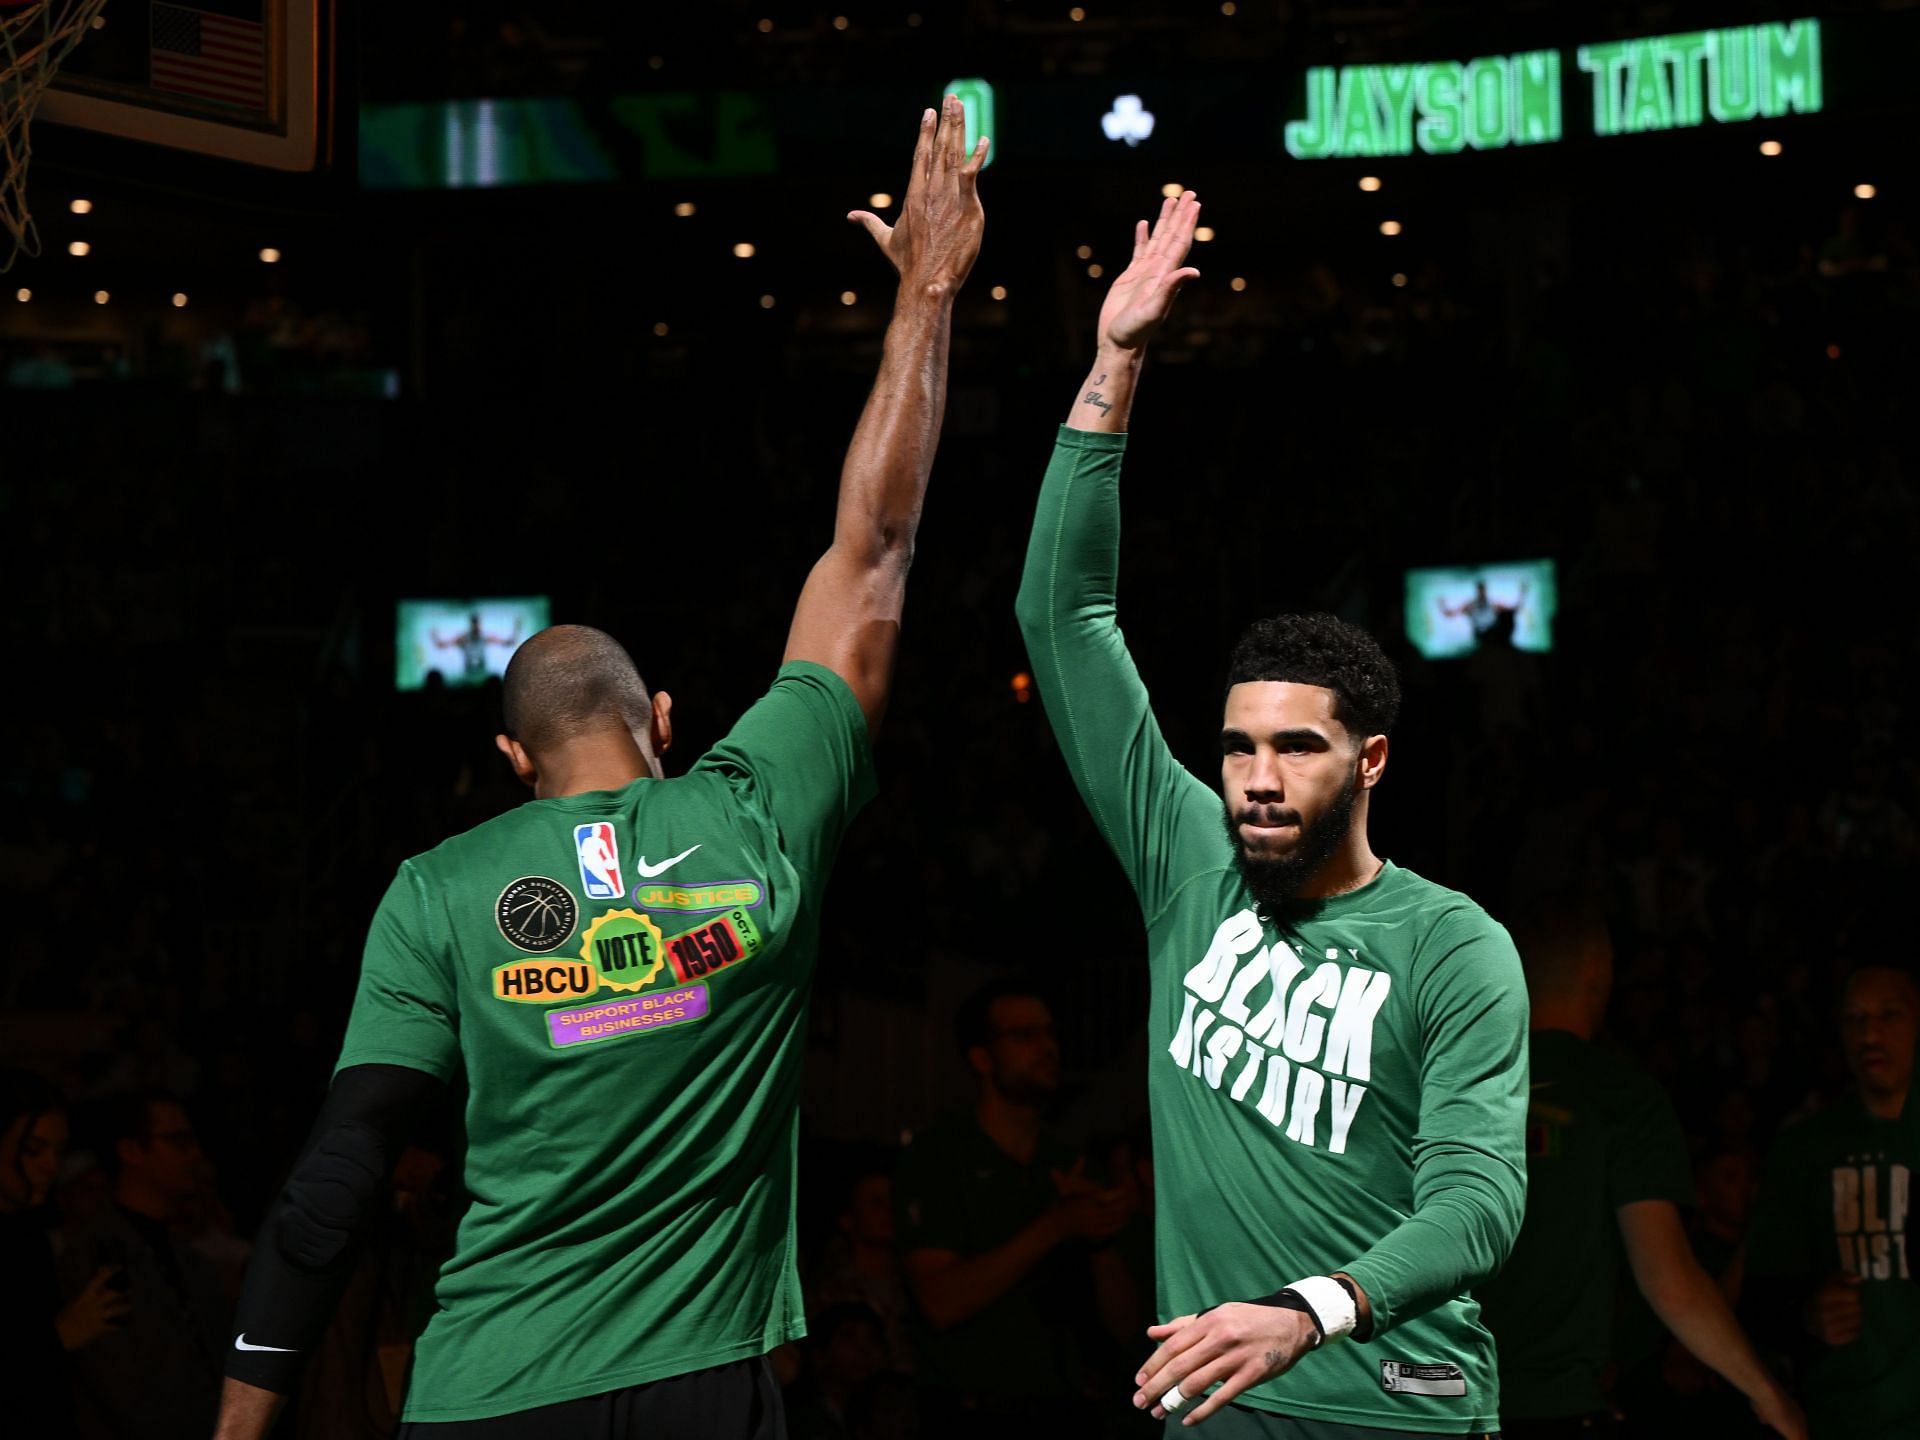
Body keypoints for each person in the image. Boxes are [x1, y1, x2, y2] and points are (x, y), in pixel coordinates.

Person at [211, 96, 987, 1440]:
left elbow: (337, 1181)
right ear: (667, 717)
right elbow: (873, 549)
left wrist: (238, 1430)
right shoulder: (760, 812)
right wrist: (928, 287)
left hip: (486, 1395)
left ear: (511, 757)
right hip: (702, 1390)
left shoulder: (435, 895)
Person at [1013, 191, 1529, 1435]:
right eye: (1238, 743)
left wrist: (1312, 1308)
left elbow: (1476, 1203)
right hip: (1214, 1406)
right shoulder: (1186, 858)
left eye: (1297, 746)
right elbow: (1062, 619)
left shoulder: (1454, 947)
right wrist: (1115, 361)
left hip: (1398, 1406)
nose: (1255, 773)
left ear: (1372, 762)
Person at [1472, 907, 1803, 1438]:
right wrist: (1769, 1396)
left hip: (1435, 1404)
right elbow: (1669, 1281)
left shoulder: (1444, 1081)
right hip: (1557, 1409)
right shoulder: (1619, 1094)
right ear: (1598, 973)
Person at [891, 979, 1134, 1435]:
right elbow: (940, 1301)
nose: (1046, 1048)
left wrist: (1100, 1237)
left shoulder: (1069, 1161)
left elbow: (1126, 1327)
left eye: (1050, 1034)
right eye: (1024, 1036)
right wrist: (1054, 1228)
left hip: (1068, 1410)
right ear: (981, 1058)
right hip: (969, 1412)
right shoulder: (938, 1156)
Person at [1744, 965, 1919, 1439]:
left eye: (1889, 1014)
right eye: (1854, 1019)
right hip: (1847, 1416)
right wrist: (1806, 1313)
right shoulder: (1807, 1148)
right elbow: (1760, 1294)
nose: (1870, 1032)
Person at [59, 1090, 232, 1439]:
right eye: (177, 1141)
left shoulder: (191, 1260)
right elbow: (122, 1393)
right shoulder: (97, 1255)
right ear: (131, 1150)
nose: (194, 1155)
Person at [0, 1068, 119, 1439]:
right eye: (33, 1150)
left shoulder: (30, 1233)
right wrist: (60, 1337)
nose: (51, 1164)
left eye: (59, 1150)